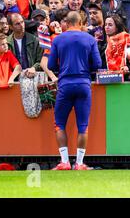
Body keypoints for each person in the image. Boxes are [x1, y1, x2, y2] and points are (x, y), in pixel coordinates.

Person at [48, 11, 102, 170]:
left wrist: (63, 68)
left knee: (59, 124)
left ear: (66, 22)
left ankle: (64, 161)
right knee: (83, 126)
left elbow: (51, 65)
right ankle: (79, 163)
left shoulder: (58, 39)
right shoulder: (90, 39)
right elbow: (97, 64)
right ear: (80, 22)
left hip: (65, 84)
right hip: (84, 83)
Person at [6, 13, 43, 79]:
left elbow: (41, 60)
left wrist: (33, 68)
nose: (22, 25)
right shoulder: (6, 42)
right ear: (11, 27)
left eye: (22, 22)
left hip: (32, 77)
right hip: (13, 79)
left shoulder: (35, 40)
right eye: (17, 24)